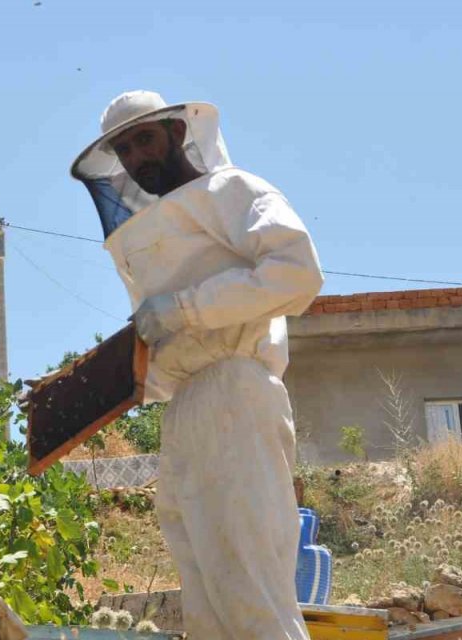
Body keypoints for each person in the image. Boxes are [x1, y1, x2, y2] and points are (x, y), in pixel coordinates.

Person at [69, 91, 324, 639]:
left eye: (145, 139)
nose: (138, 157)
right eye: (125, 149)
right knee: (209, 609)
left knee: (251, 593)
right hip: (184, 410)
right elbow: (162, 357)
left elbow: (296, 271)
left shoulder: (234, 190)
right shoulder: (153, 237)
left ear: (178, 134)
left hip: (236, 388)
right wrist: (83, 391)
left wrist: (185, 309)